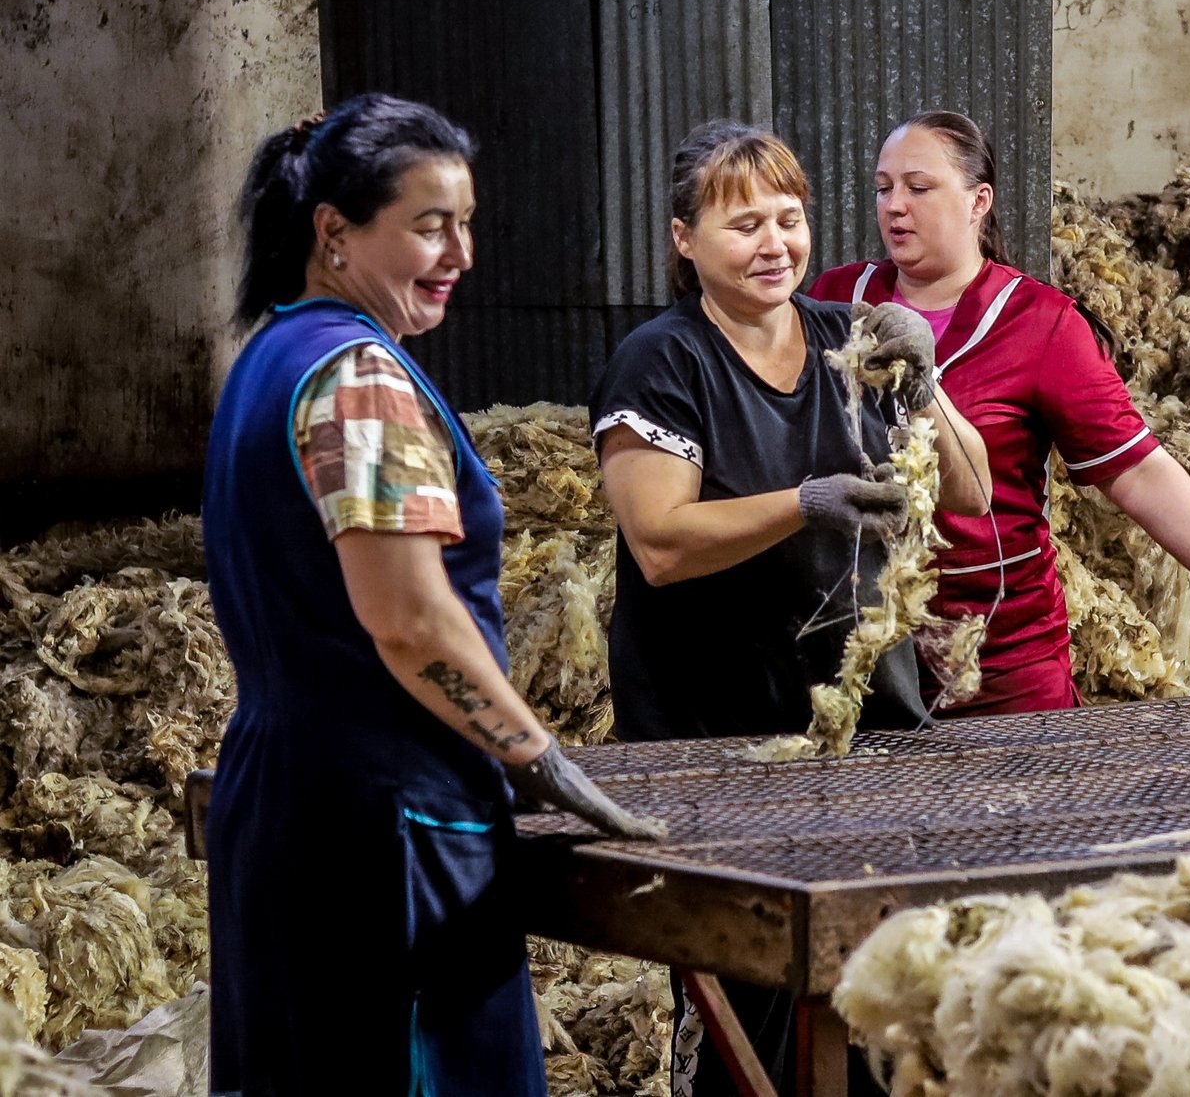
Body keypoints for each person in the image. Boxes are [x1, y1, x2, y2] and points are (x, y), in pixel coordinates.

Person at [204, 93, 658, 1097]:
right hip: (383, 821)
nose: (459, 253)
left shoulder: (269, 359)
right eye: (427, 224)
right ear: (333, 232)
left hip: (283, 797)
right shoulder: (359, 375)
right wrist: (534, 752)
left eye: (465, 224)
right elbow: (407, 618)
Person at [589, 121, 990, 1093]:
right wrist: (804, 499)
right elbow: (660, 541)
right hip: (717, 742)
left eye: (789, 218)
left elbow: (972, 493)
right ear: (684, 240)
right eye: (742, 224)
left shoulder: (846, 340)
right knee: (754, 1013)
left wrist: (925, 382)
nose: (774, 243)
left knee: (880, 1002)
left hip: (863, 726)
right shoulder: (664, 361)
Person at [812, 110, 1190, 716]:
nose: (895, 206)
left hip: (995, 659)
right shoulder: (837, 301)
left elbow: (1136, 469)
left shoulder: (1039, 324)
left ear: (977, 201)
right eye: (884, 189)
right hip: (861, 652)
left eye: (919, 187)